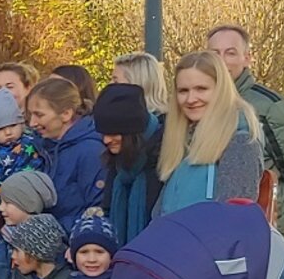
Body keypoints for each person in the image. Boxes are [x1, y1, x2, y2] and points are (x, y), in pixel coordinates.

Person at [209, 25, 284, 234]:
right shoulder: (198, 104)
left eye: (230, 53)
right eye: (214, 54)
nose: (221, 60)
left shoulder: (271, 107)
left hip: (265, 229)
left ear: (247, 58)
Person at [154, 52, 264, 218]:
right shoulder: (184, 142)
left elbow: (233, 220)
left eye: (201, 89)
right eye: (183, 91)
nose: (191, 99)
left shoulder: (240, 142)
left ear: (221, 90)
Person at [24, 77, 104, 224]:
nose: (32, 123)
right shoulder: (44, 147)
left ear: (66, 114)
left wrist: (57, 231)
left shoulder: (90, 151)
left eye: (39, 115)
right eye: (30, 115)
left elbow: (98, 209)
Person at [92, 84, 163, 246]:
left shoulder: (162, 159)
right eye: (103, 133)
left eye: (113, 133)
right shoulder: (117, 163)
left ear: (132, 132)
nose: (106, 140)